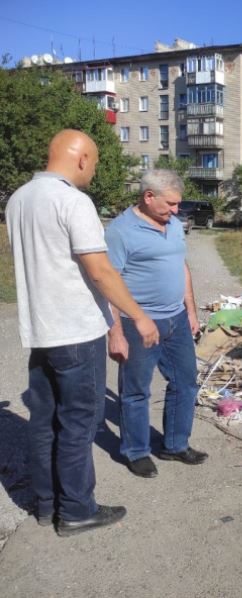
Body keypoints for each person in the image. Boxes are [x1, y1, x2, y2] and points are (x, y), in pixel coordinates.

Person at [6, 129, 160, 537]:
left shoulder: (19, 199)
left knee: (45, 422)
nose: (93, 170)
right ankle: (76, 510)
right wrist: (138, 317)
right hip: (75, 331)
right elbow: (99, 269)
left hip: (40, 332)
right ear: (81, 159)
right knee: (78, 423)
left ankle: (46, 505)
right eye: (94, 162)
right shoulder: (73, 200)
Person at [106, 169, 207, 479]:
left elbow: (182, 266)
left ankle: (175, 445)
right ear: (149, 197)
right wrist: (117, 333)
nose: (177, 212)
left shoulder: (173, 225)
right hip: (139, 323)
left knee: (186, 381)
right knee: (136, 390)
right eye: (171, 204)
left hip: (176, 318)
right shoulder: (121, 231)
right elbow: (109, 283)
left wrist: (190, 309)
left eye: (179, 205)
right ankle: (135, 451)